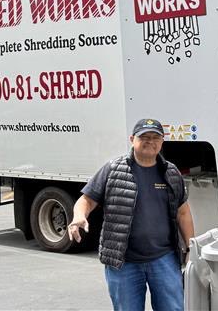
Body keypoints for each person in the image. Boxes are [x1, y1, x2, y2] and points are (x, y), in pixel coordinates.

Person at [68, 118, 194, 311]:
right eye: (144, 137)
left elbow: (182, 212)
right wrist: (79, 216)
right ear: (132, 139)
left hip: (164, 259)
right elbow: (87, 200)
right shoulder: (113, 169)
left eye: (155, 137)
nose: (150, 141)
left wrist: (191, 246)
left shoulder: (171, 172)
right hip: (123, 262)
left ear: (162, 141)